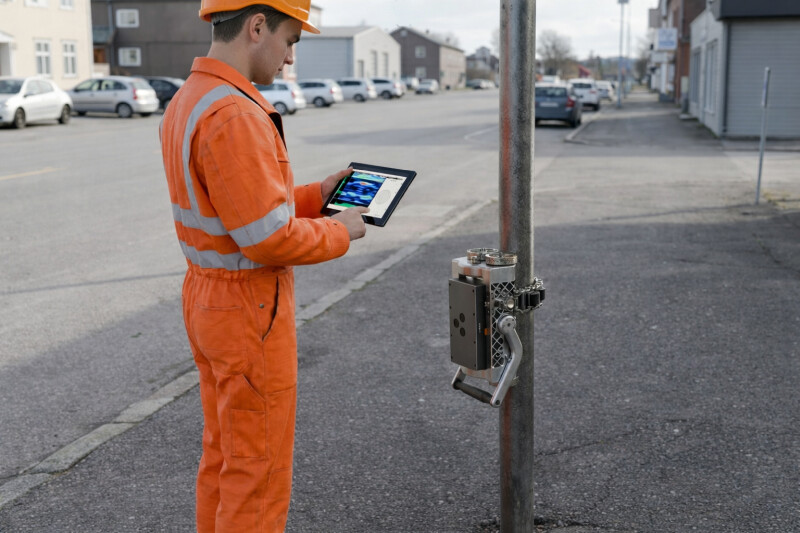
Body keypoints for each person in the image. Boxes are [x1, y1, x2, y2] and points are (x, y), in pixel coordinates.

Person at [159, 1, 368, 531]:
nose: (291, 59)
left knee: (227, 454)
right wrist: (340, 230)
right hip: (248, 309)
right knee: (259, 469)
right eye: (290, 41)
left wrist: (317, 196)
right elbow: (269, 238)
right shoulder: (234, 112)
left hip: (210, 298)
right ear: (257, 27)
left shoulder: (192, 99)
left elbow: (238, 210)